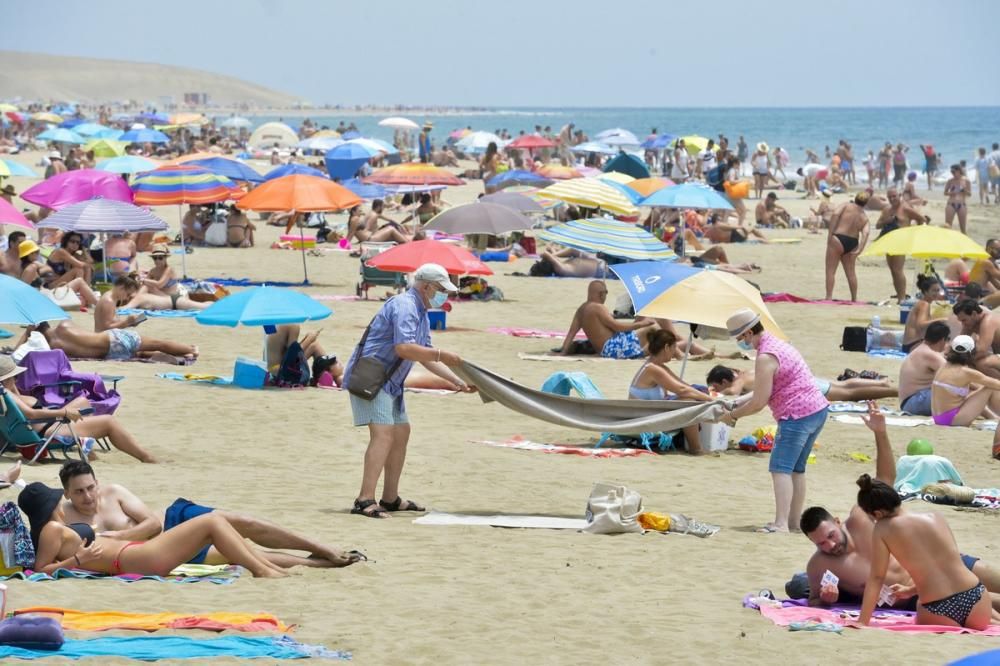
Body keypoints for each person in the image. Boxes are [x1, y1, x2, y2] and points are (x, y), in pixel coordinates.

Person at [800, 402, 1000, 614]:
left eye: (830, 535)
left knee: (988, 577)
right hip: (917, 596)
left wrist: (880, 433)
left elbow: (885, 480)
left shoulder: (861, 518)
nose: (830, 545)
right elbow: (814, 602)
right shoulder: (819, 566)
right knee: (989, 600)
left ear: (838, 522)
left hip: (938, 562)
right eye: (821, 543)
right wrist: (826, 599)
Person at [342, 263, 476, 519]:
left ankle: (390, 498)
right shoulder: (404, 305)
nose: (443, 295)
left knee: (401, 432)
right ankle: (364, 499)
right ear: (426, 287)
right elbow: (404, 348)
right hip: (373, 378)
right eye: (440, 289)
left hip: (391, 382)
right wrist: (442, 354)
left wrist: (456, 382)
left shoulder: (421, 310)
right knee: (383, 435)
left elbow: (425, 356)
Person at [56, 461, 360, 568]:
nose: (88, 496)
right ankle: (321, 564)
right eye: (80, 492)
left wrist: (119, 535)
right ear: (67, 493)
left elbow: (152, 523)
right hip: (170, 549)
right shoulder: (64, 518)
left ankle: (321, 548)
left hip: (174, 520)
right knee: (242, 552)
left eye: (90, 487)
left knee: (245, 523)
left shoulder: (113, 492)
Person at [18, 482, 287, 578]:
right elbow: (40, 570)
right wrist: (78, 561)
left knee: (213, 528)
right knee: (212, 522)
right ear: (49, 506)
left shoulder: (55, 529)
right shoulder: (52, 528)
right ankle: (263, 571)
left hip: (133, 553)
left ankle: (269, 569)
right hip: (132, 558)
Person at [720, 309, 829, 533]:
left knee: (780, 469)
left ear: (749, 332)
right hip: (817, 410)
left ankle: (780, 524)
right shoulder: (779, 345)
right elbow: (766, 386)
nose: (741, 343)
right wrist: (736, 402)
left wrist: (732, 416)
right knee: (797, 470)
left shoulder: (765, 357)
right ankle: (793, 522)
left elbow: (759, 402)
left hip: (796, 415)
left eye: (741, 338)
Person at [855, 473, 998, 628]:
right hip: (975, 596)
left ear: (877, 513)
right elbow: (946, 566)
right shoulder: (935, 516)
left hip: (937, 608)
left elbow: (877, 577)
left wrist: (863, 621)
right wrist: (910, 590)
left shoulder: (882, 529)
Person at [0, 356, 157, 462]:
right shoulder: (6, 394)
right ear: (5, 379)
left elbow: (21, 410)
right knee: (109, 422)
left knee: (83, 401)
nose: (16, 379)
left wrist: (10, 383)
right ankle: (146, 457)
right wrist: (64, 412)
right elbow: (31, 413)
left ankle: (84, 441)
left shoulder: (6, 395)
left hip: (41, 426)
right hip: (46, 431)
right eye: (14, 377)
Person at [559, 280, 711, 360]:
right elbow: (617, 327)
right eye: (605, 294)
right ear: (601, 294)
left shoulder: (581, 310)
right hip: (613, 348)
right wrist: (640, 324)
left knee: (651, 315)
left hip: (611, 347)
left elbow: (571, 334)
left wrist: (563, 354)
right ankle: (681, 356)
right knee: (653, 328)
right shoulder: (598, 307)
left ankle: (685, 348)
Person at [626, 329, 712, 454]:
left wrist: (705, 396)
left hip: (650, 413)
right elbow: (682, 390)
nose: (675, 353)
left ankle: (695, 444)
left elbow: (684, 385)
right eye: (674, 348)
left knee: (696, 392)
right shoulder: (653, 369)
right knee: (688, 402)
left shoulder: (658, 367)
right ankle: (696, 449)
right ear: (666, 347)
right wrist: (711, 400)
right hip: (642, 418)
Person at [25, 319, 197, 365]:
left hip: (110, 354)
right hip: (112, 339)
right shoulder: (64, 326)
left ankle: (178, 356)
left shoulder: (53, 349)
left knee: (142, 353)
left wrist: (28, 332)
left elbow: (21, 349)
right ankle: (191, 349)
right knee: (159, 343)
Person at [706, 365, 896, 402]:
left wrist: (713, 394)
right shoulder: (746, 372)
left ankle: (892, 391)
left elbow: (732, 392)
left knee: (849, 394)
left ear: (724, 381)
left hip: (802, 387)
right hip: (801, 378)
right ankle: (882, 384)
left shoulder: (740, 380)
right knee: (846, 386)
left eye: (717, 385)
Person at [930, 335, 1000, 435]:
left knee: (980, 390)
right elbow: (996, 384)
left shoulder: (944, 366)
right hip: (952, 419)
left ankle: (995, 416)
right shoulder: (966, 372)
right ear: (971, 353)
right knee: (989, 388)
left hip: (939, 418)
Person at [876, 188, 929, 302]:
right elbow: (878, 225)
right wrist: (887, 221)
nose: (892, 199)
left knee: (897, 269)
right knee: (893, 270)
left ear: (899, 195)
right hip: (889, 241)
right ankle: (900, 295)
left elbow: (922, 219)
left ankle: (902, 298)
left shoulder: (905, 208)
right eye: (890, 197)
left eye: (894, 196)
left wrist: (915, 233)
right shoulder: (887, 210)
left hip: (901, 242)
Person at [17, 239, 98, 308]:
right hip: (46, 299)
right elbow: (23, 290)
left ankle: (98, 303)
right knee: (79, 281)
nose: (38, 254)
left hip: (47, 295)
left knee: (79, 281)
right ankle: (100, 304)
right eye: (36, 252)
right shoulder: (31, 268)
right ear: (30, 254)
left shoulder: (31, 265)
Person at [824, 192, 871, 301]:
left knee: (830, 271)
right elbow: (866, 233)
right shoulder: (864, 217)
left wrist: (831, 233)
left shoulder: (846, 205)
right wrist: (860, 249)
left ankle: (829, 296)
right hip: (853, 242)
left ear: (855, 198)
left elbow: (835, 214)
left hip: (838, 238)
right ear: (866, 203)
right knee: (851, 273)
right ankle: (854, 298)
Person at [898, 321, 950, 415]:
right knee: (959, 391)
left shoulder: (920, 349)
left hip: (909, 402)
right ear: (943, 340)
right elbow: (957, 375)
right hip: (915, 402)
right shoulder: (930, 355)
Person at [265, 324, 337, 385]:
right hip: (282, 375)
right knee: (315, 346)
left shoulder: (277, 324)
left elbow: (289, 351)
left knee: (313, 346)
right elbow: (292, 356)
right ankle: (327, 377)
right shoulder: (293, 325)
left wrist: (305, 339)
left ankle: (323, 378)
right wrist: (309, 339)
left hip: (273, 370)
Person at [953, 299, 1000, 378]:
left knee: (981, 363)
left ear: (974, 314)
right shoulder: (971, 321)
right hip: (997, 352)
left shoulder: (988, 321)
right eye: (961, 321)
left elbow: (981, 351)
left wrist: (957, 360)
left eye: (964, 320)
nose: (963, 324)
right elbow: (958, 343)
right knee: (968, 363)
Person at [901, 276, 949, 352]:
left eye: (938, 290)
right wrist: (942, 320)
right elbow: (921, 324)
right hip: (913, 344)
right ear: (926, 291)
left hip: (910, 344)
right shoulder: (924, 304)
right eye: (934, 291)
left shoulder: (922, 303)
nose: (937, 293)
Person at [944, 164, 971, 234]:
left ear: (959, 171)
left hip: (962, 204)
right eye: (951, 172)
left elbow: (969, 194)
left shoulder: (966, 180)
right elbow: (945, 192)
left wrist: (964, 190)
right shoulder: (950, 181)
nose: (952, 174)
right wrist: (951, 193)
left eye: (954, 172)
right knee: (947, 226)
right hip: (951, 204)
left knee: (963, 228)